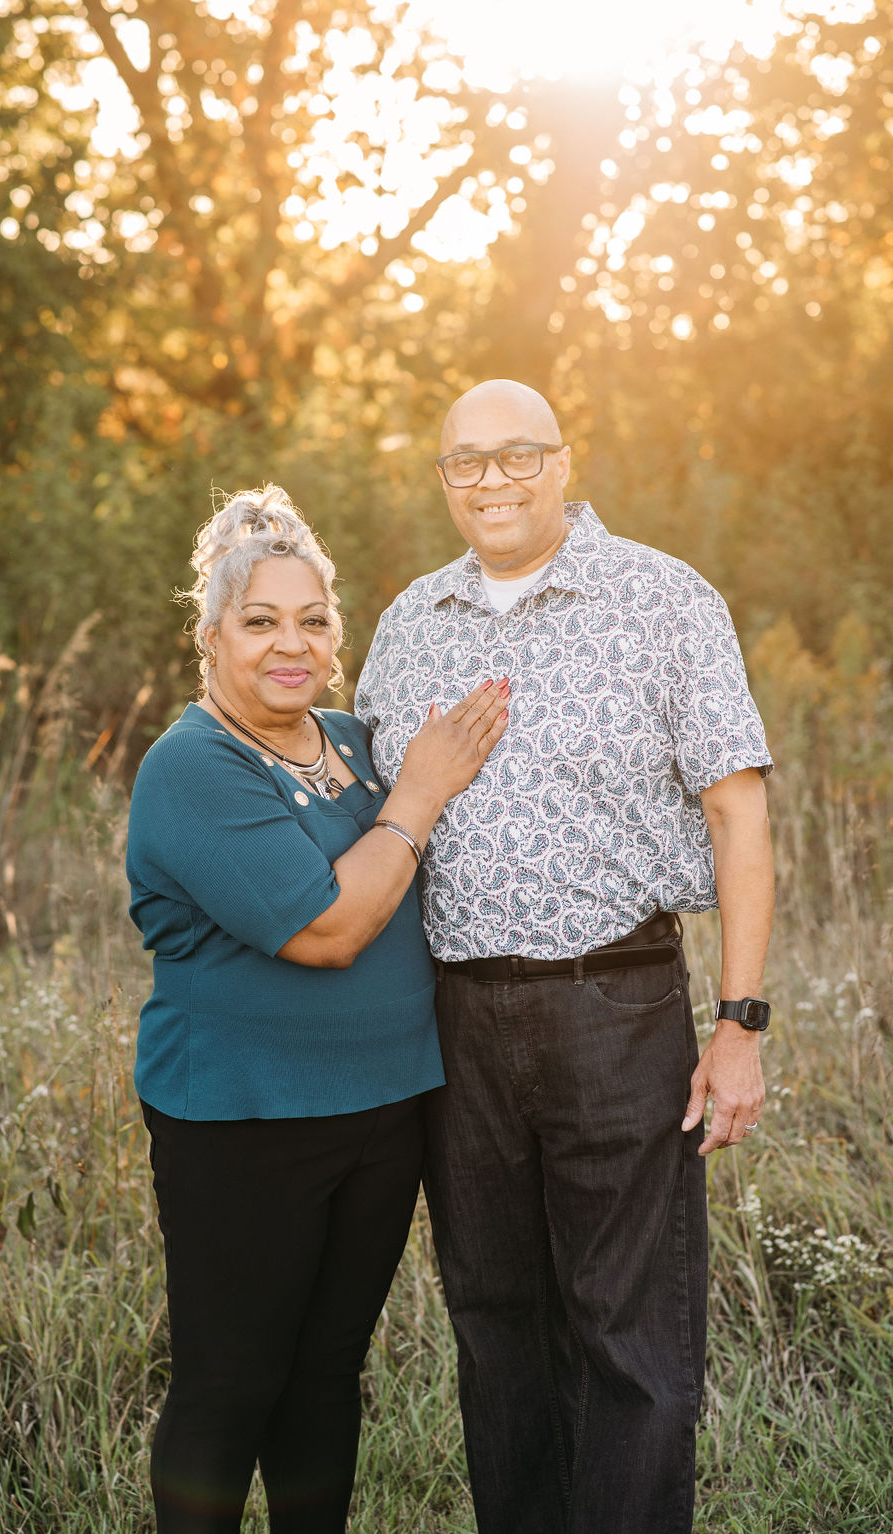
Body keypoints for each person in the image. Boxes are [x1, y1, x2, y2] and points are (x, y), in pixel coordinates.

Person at [355, 379, 775, 1534]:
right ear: (442, 478)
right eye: (465, 462)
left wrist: (739, 1021)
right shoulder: (408, 622)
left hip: (618, 1006)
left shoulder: (661, 598)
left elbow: (738, 813)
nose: (490, 479)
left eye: (515, 455)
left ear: (562, 460)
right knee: (494, 1324)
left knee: (627, 1333)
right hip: (454, 1021)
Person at [126, 483, 508, 1534]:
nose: (288, 645)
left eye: (311, 620)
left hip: (386, 1112)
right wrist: (420, 796)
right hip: (245, 1124)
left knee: (325, 1373)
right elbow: (330, 931)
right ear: (209, 638)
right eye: (259, 622)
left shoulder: (350, 737)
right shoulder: (192, 766)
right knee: (232, 1381)